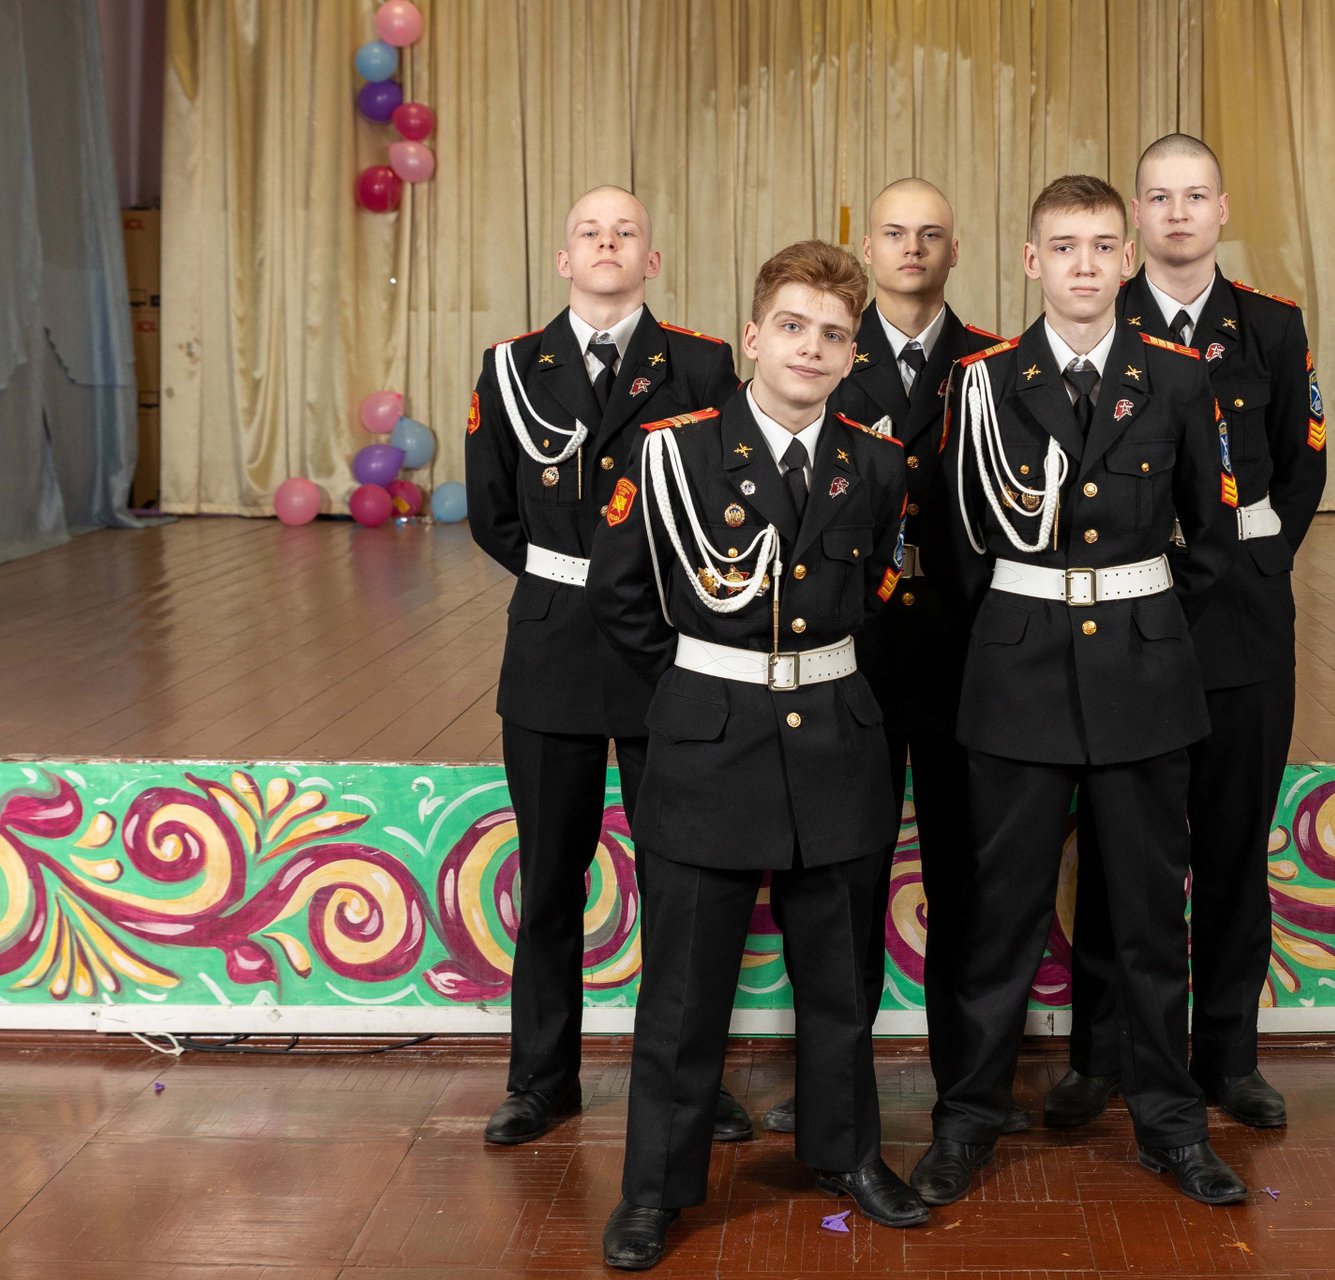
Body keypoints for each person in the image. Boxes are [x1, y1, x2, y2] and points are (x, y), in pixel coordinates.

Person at [589, 240, 929, 1270]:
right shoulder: (673, 453)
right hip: (712, 742)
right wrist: (705, 690)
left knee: (841, 981)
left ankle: (847, 1153)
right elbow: (622, 597)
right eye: (792, 326)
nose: (810, 348)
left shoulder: (877, 463)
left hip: (836, 739)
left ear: (853, 352)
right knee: (684, 991)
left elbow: (880, 591)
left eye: (833, 335)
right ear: (751, 335)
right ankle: (654, 1187)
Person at [916, 175, 1245, 1208]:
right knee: (998, 919)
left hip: (1143, 677)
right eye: (1065, 247)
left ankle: (1170, 1125)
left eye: (1104, 245)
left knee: (1148, 920)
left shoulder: (1178, 379)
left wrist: (1143, 619)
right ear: (1032, 261)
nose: (1086, 265)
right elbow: (957, 547)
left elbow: (1212, 537)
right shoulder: (981, 383)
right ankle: (968, 1119)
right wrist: (1022, 626)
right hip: (1016, 679)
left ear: (1127, 257)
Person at [1047, 135, 1327, 1134]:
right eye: (1159, 197)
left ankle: (1229, 1057)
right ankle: (1100, 1054)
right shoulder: (1097, 322)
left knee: (1234, 845)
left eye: (1194, 195)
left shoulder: (1271, 328)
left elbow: (1301, 466)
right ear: (1135, 215)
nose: (1177, 213)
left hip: (1240, 626)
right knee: (1116, 848)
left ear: (1221, 209)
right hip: (1127, 623)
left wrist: (1257, 559)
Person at [465, 185, 750, 1147]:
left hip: (668, 648)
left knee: (682, 881)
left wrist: (642, 586)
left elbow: (725, 495)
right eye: (589, 232)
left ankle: (687, 1083)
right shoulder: (512, 367)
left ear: (651, 260)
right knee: (549, 879)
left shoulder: (702, 365)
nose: (607, 244)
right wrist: (578, 579)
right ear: (564, 258)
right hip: (552, 651)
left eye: (626, 232)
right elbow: (494, 514)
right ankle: (540, 1081)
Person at [762, 178, 1012, 1137]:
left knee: (966, 885)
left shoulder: (996, 363)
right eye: (896, 233)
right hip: (851, 663)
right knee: (842, 887)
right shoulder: (824, 354)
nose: (913, 249)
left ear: (956, 250)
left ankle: (970, 1088)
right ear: (867, 249)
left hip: (964, 661)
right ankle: (832, 1086)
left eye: (932, 234)